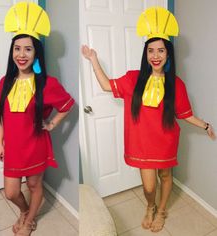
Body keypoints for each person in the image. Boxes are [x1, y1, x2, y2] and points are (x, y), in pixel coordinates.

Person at [81, 7, 215, 233]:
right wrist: (93, 60)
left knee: (165, 176)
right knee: (149, 186)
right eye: (151, 50)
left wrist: (206, 125)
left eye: (161, 51)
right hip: (141, 144)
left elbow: (184, 114)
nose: (155, 55)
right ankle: (150, 205)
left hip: (166, 141)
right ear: (146, 54)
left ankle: (161, 211)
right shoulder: (133, 78)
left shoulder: (177, 84)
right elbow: (106, 85)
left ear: (168, 54)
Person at [0, 2, 74, 236]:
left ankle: (29, 220)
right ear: (12, 51)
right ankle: (25, 210)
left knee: (33, 185)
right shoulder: (4, 82)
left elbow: (67, 105)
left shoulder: (47, 84)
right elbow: (1, 116)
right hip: (13, 147)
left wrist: (50, 125)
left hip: (35, 146)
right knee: (11, 192)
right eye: (17, 48)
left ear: (36, 53)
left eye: (28, 49)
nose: (21, 54)